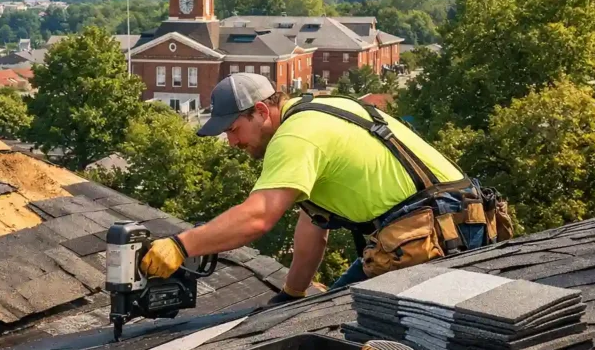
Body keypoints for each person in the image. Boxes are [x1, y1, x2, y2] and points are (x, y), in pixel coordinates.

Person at [140, 73, 503, 304]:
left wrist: (181, 245)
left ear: (263, 112)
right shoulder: (323, 110)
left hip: (436, 232)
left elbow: (259, 217)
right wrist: (292, 295)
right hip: (449, 223)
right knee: (323, 311)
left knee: (371, 343)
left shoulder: (296, 135)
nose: (232, 142)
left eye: (234, 129)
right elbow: (313, 226)